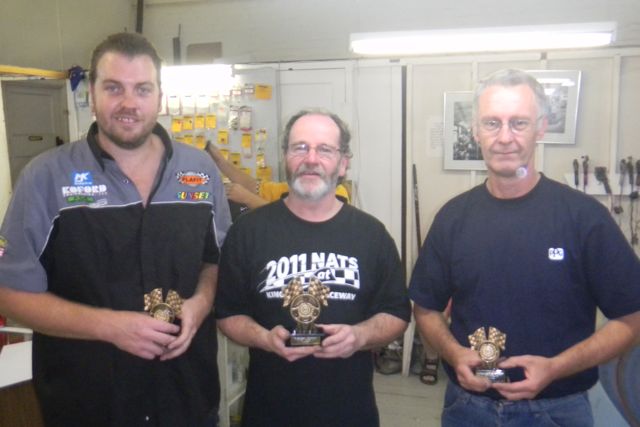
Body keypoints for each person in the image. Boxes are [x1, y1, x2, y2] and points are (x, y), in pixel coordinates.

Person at [0, 32, 232, 427]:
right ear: (92, 94)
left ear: (159, 96)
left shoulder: (200, 172)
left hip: (187, 400)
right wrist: (110, 327)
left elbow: (215, 260)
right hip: (87, 406)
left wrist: (200, 304)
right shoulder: (45, 178)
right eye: (113, 88)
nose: (129, 103)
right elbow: (9, 294)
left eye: (142, 89)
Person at [409, 69, 640, 426]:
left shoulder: (584, 218)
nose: (505, 137)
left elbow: (631, 318)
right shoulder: (452, 218)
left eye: (518, 123)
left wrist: (556, 368)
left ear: (541, 128)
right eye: (492, 123)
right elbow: (425, 307)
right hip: (468, 409)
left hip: (559, 408)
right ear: (475, 130)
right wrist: (454, 354)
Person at [215, 109, 410, 426]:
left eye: (325, 149)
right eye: (300, 147)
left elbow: (397, 314)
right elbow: (228, 314)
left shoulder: (371, 235)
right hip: (269, 412)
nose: (311, 159)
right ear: (286, 157)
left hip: (350, 413)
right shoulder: (248, 232)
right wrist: (264, 338)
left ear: (343, 163)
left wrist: (359, 336)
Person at [205, 141, 350, 210]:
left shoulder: (337, 193)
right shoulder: (286, 189)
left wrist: (248, 199)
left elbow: (295, 220)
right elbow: (253, 186)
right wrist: (221, 162)